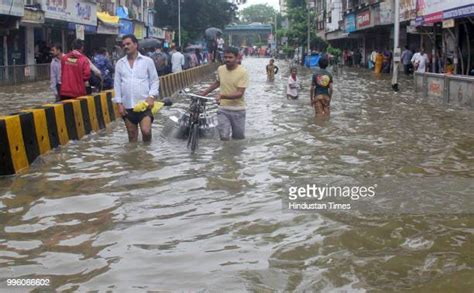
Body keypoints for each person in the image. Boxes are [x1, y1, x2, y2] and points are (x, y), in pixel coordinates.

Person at [113, 34, 159, 143]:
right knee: (132, 136)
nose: (125, 46)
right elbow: (117, 84)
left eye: (128, 44)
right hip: (127, 107)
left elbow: (154, 80)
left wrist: (152, 96)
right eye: (123, 45)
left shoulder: (147, 61)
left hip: (144, 105)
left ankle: (147, 155)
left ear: (135, 45)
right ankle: (134, 158)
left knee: (146, 131)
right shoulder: (120, 63)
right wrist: (119, 103)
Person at [200, 47, 249, 141]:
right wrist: (203, 93)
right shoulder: (220, 69)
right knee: (224, 137)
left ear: (237, 57)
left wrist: (222, 96)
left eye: (230, 57)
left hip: (238, 110)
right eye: (225, 57)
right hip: (223, 109)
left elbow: (239, 93)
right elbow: (217, 83)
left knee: (238, 138)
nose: (227, 59)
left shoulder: (243, 72)